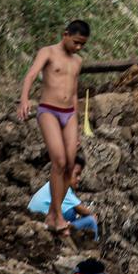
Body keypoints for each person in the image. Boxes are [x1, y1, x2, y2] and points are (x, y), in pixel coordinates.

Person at [17, 19, 90, 234]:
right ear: (65, 34)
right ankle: (56, 215)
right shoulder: (47, 52)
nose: (78, 47)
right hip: (48, 109)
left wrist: (75, 127)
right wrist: (24, 99)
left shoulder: (77, 61)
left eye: (82, 45)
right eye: (76, 42)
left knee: (70, 165)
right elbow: (31, 75)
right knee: (58, 160)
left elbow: (75, 93)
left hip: (69, 114)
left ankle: (53, 213)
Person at [27, 155, 98, 240]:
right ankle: (93, 246)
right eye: (76, 174)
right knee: (91, 221)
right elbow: (82, 209)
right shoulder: (61, 186)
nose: (79, 179)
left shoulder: (55, 183)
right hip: (42, 226)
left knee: (71, 212)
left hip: (35, 221)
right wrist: (93, 215)